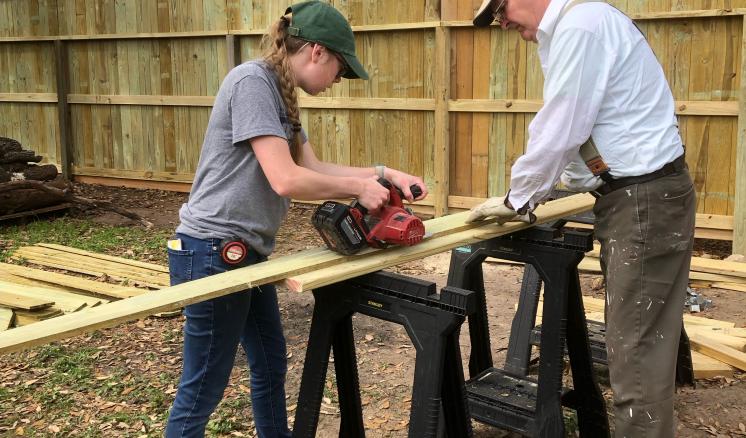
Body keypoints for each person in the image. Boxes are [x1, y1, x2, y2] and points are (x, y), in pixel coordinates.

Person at [164, 1, 427, 437]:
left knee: (270, 362)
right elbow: (287, 180)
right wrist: (358, 189)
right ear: (317, 51)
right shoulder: (252, 82)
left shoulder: (282, 94)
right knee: (203, 387)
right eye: (340, 71)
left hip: (246, 253)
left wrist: (383, 174)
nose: (338, 81)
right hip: (211, 250)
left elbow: (315, 168)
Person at [467, 0, 695, 436]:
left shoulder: (581, 27)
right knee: (638, 344)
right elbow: (586, 130)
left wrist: (521, 198)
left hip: (644, 200)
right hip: (636, 196)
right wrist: (549, 188)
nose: (502, 22)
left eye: (500, 9)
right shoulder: (569, 31)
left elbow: (561, 126)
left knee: (637, 356)